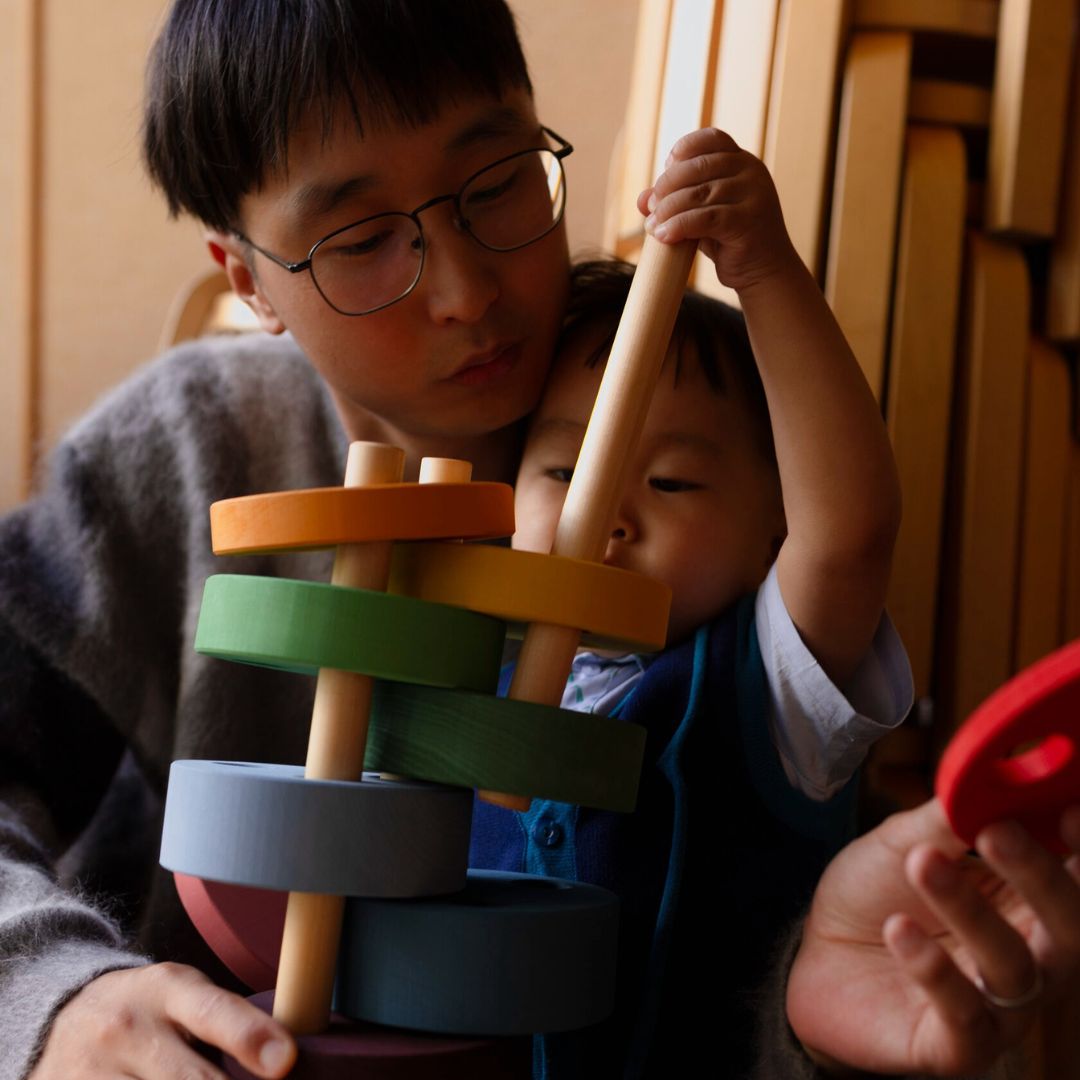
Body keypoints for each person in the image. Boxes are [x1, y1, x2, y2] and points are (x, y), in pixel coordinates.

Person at [0, 2, 1074, 1078]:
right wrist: (53, 998)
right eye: (364, 241)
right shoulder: (188, 450)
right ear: (246, 281)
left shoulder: (670, 422)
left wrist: (792, 1021)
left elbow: (756, 904)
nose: (469, 294)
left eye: (498, 183)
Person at [469, 257, 910, 1077]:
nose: (603, 513)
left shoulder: (773, 686)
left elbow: (851, 532)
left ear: (774, 530)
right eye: (563, 472)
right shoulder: (463, 674)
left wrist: (764, 267)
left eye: (671, 481)